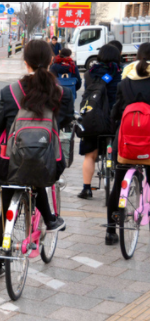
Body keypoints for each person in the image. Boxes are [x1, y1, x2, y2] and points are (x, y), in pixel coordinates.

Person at [0, 40, 73, 280]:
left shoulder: (9, 92)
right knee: (39, 181)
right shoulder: (60, 92)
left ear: (25, 62)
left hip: (9, 163)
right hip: (46, 161)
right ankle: (50, 219)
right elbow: (64, 121)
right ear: (52, 61)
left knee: (5, 213)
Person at [106, 42, 150, 245]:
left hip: (124, 141)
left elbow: (116, 110)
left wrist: (114, 130)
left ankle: (110, 231)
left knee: (118, 182)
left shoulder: (125, 81)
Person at [78, 44, 122, 200]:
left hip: (93, 118)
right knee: (120, 154)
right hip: (114, 119)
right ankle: (120, 188)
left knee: (90, 155)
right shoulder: (120, 72)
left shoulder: (90, 73)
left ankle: (86, 189)